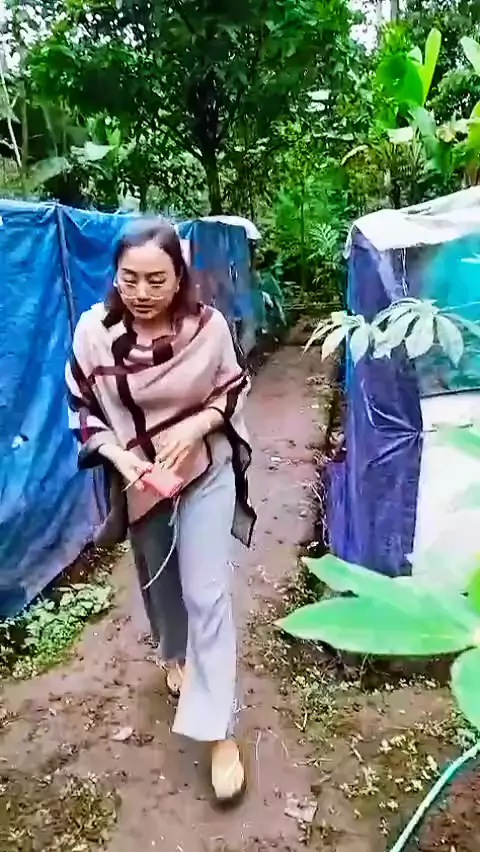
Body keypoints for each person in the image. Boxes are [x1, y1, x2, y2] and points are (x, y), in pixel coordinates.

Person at [65, 219, 256, 803]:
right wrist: (118, 456)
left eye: (156, 279)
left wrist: (197, 427)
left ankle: (219, 731)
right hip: (141, 479)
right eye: (130, 279)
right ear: (115, 277)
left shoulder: (208, 327)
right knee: (159, 583)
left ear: (179, 278)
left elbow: (233, 386)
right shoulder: (94, 334)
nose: (142, 292)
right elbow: (81, 405)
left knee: (206, 593)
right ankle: (175, 657)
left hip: (204, 471)